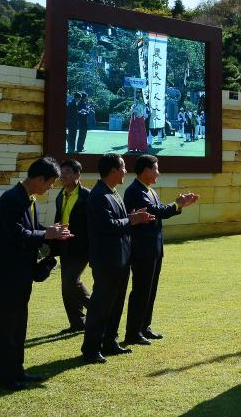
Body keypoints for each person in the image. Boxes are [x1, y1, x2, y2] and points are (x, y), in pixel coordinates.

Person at [0, 157, 72, 390]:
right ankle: (4, 378)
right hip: (5, 273)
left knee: (18, 324)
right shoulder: (11, 199)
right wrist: (47, 235)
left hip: (19, 272)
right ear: (39, 179)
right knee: (5, 326)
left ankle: (17, 371)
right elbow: (18, 234)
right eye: (50, 182)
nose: (51, 187)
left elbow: (31, 230)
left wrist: (54, 232)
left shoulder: (27, 198)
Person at [81, 153, 155, 364]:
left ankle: (110, 342)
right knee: (101, 306)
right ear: (112, 170)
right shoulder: (98, 195)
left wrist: (133, 218)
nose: (125, 171)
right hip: (107, 260)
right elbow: (108, 226)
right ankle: (91, 348)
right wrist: (132, 220)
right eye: (122, 167)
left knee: (116, 304)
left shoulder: (113, 192)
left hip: (120, 258)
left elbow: (120, 221)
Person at [123, 155, 198, 346]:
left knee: (150, 290)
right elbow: (155, 211)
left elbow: (159, 209)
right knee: (140, 291)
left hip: (154, 250)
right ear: (146, 170)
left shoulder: (150, 191)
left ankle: (144, 327)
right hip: (142, 251)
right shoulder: (134, 191)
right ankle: (133, 333)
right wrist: (177, 204)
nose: (158, 172)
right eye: (156, 168)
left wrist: (178, 205)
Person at [53, 159, 91, 332]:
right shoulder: (59, 196)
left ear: (78, 174)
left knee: (71, 280)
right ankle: (77, 323)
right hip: (64, 245)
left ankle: (98, 309)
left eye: (68, 172)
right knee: (65, 285)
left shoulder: (88, 196)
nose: (63, 176)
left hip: (82, 246)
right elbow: (59, 219)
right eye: (62, 172)